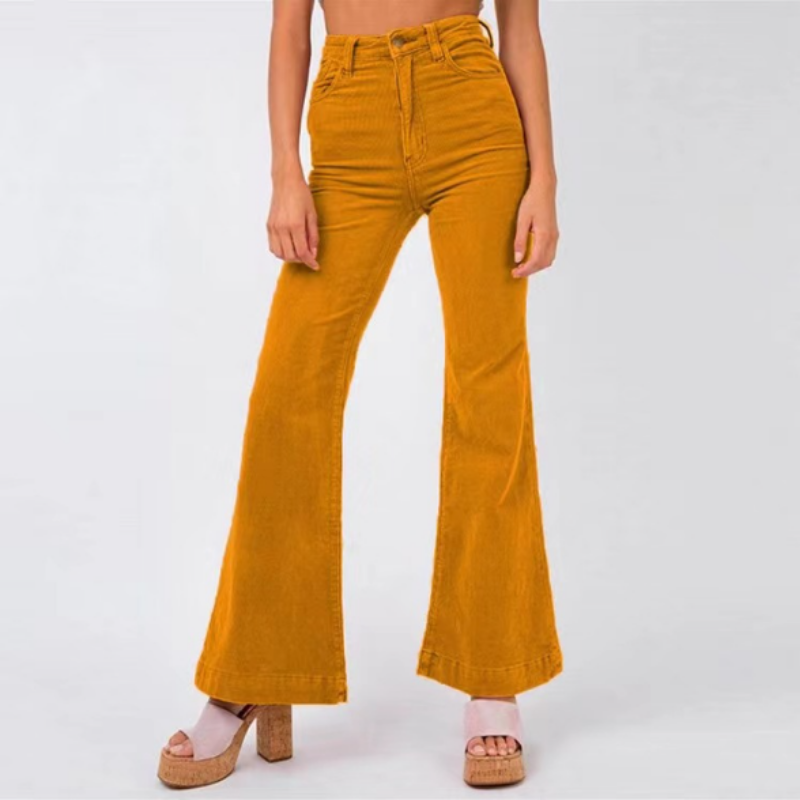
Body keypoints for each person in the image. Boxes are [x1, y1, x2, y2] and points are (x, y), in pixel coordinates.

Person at [158, 0, 562, 789]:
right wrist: (286, 170)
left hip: (474, 116)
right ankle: (254, 671)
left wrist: (543, 177)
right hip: (348, 128)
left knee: (489, 393)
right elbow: (289, 27)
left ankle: (492, 674)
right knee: (287, 399)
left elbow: (521, 29)